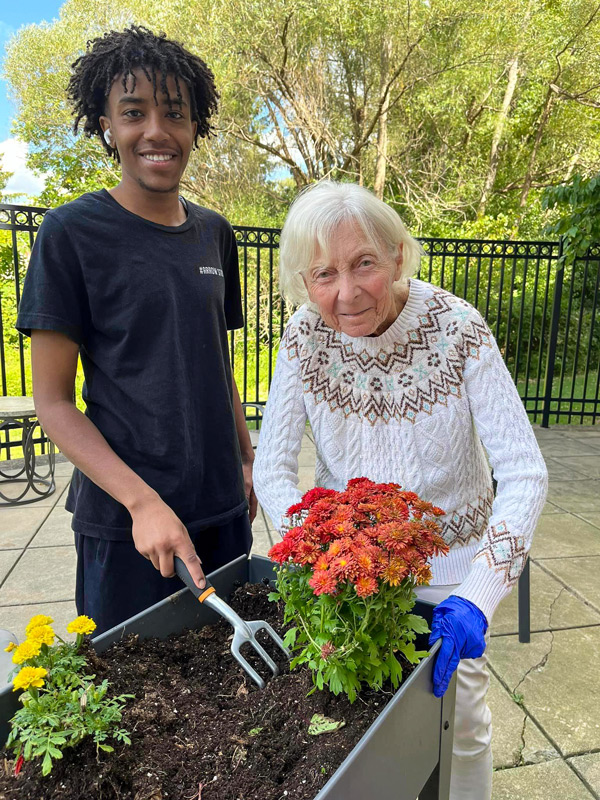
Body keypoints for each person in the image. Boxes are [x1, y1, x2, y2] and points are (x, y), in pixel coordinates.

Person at [253, 180, 548, 800]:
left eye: (363, 263)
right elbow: (273, 469)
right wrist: (315, 553)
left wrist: (480, 592)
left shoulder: (458, 327)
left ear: (396, 255)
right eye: (323, 274)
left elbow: (524, 471)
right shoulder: (304, 337)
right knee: (357, 738)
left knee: (460, 727)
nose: (347, 291)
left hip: (450, 571)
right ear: (305, 283)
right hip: (348, 568)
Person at [16, 26, 256, 636]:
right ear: (106, 125)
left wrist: (246, 461)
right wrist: (142, 502)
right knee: (129, 705)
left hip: (221, 509)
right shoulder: (70, 234)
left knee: (228, 697)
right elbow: (52, 402)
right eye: (133, 112)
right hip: (128, 523)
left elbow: (217, 360)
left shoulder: (214, 234)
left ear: (196, 127)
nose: (156, 130)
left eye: (174, 113)